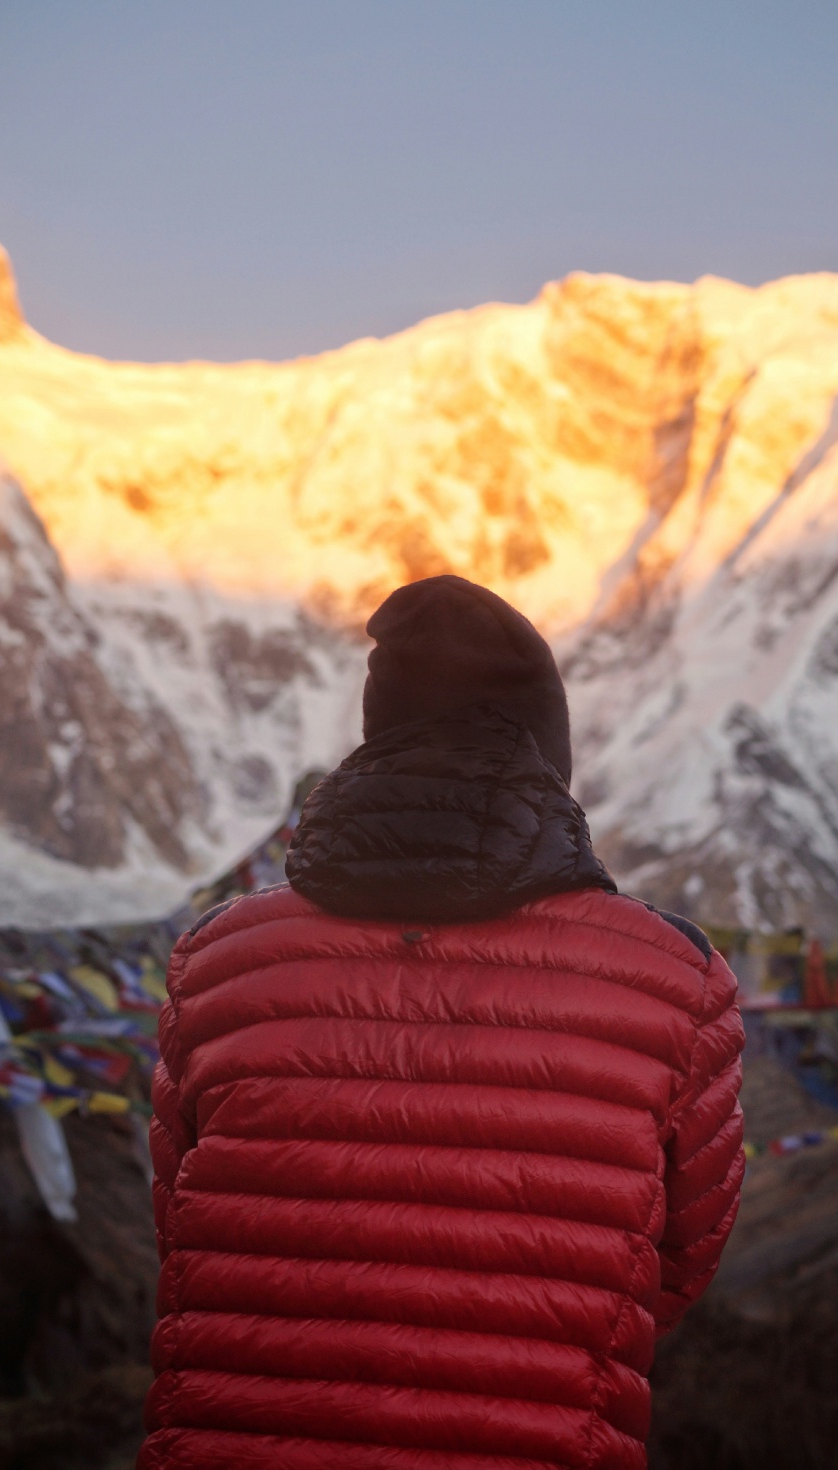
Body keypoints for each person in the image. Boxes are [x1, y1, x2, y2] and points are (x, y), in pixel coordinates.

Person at [140, 575, 744, 1470]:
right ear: (546, 755)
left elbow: (185, 1218)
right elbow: (681, 1257)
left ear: (378, 738)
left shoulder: (219, 961)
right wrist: (537, 1325)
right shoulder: (674, 980)